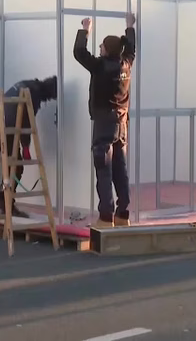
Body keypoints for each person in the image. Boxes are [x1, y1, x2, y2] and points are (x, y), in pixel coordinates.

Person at [73, 12, 136, 228]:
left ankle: (106, 217)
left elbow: (79, 52)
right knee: (120, 169)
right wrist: (129, 26)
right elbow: (131, 49)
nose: (99, 48)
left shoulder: (100, 66)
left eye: (101, 46)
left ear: (107, 50)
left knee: (104, 168)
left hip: (104, 124)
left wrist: (85, 30)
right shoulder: (126, 64)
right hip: (122, 123)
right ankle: (123, 214)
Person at [0, 76, 58, 217]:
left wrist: (25, 146)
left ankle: (4, 201)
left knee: (13, 165)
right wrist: (26, 147)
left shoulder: (29, 85)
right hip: (3, 126)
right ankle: (6, 205)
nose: (49, 100)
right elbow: (26, 121)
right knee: (15, 166)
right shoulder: (34, 93)